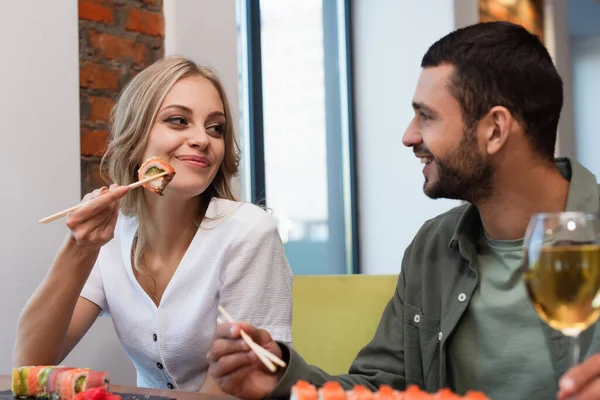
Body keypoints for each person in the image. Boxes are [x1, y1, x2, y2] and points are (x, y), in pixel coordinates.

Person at [207, 21, 600, 400]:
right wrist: (281, 380)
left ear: (495, 130)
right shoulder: (432, 248)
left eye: (427, 116)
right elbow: (382, 389)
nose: (409, 136)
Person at [14, 57, 293, 393]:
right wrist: (79, 247)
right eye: (178, 121)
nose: (202, 139)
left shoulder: (249, 232)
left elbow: (236, 384)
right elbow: (31, 362)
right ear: (136, 134)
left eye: (215, 128)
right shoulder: (112, 236)